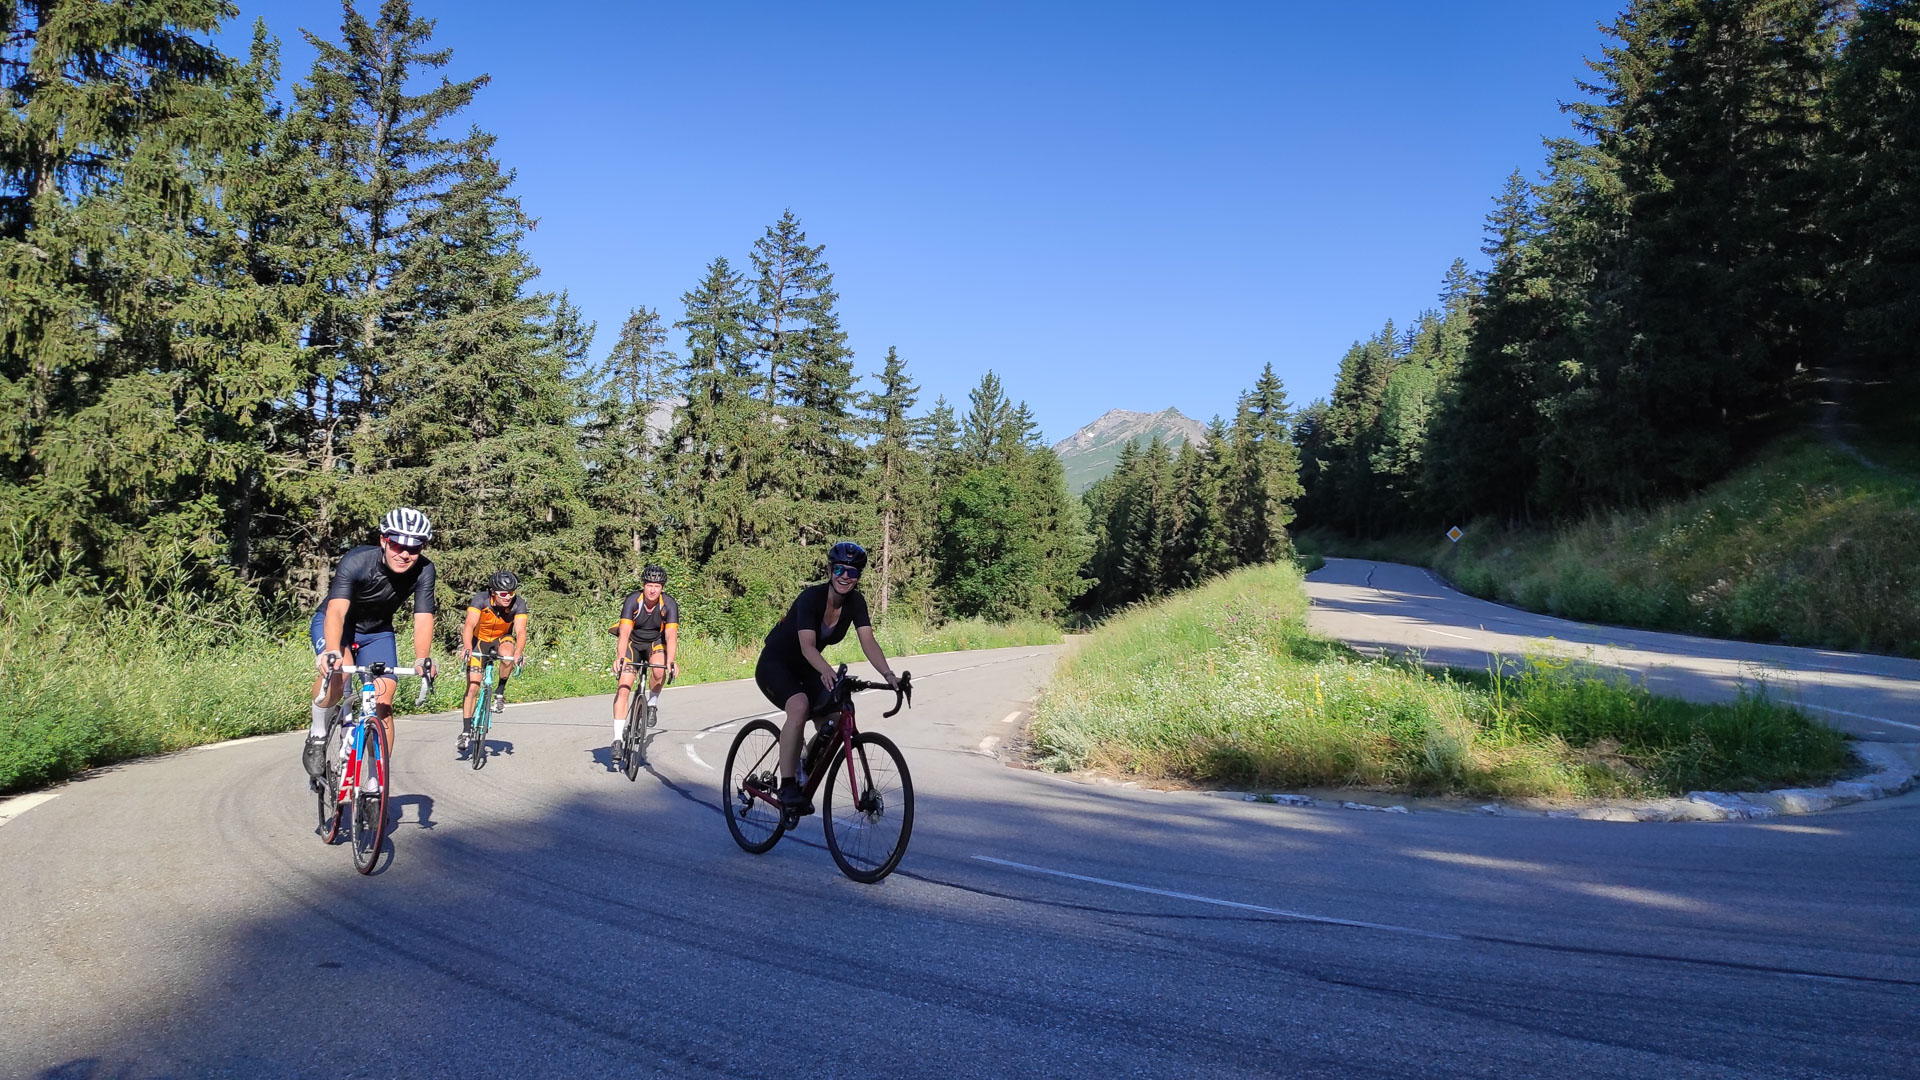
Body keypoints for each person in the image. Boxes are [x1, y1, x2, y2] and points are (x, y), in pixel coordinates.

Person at [754, 541, 899, 816]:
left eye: (853, 572)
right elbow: (807, 645)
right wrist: (826, 669)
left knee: (833, 720)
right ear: (831, 570)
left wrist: (888, 675)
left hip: (808, 666)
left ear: (859, 577)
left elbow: (868, 641)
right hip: (777, 662)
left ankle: (803, 763)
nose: (846, 576)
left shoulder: (856, 602)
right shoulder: (812, 598)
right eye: (841, 569)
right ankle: (786, 786)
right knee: (799, 707)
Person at [304, 507, 438, 785]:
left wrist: (422, 658)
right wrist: (331, 651)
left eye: (414, 548)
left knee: (384, 702)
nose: (405, 554)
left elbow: (423, 617)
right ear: (383, 541)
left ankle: (377, 782)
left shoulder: (424, 570)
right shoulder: (357, 561)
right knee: (338, 675)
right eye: (398, 545)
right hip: (337, 625)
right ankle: (317, 733)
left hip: (377, 632)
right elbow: (337, 611)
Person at [609, 565, 679, 760]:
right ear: (643, 585)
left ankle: (653, 703)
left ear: (662, 588)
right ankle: (617, 739)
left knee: (659, 670)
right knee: (624, 686)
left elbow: (671, 636)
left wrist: (671, 662)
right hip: (633, 642)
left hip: (655, 642)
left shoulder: (669, 604)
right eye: (649, 585)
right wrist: (620, 658)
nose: (652, 590)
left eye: (657, 586)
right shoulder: (633, 600)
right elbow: (623, 632)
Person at [457, 569, 528, 749]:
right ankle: (466, 732)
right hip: (478, 641)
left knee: (507, 657)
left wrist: (519, 652)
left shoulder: (518, 604)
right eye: (503, 593)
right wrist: (466, 646)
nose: (508, 597)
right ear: (492, 592)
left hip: (501, 638)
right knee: (473, 686)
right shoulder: (480, 599)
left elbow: (520, 631)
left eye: (511, 593)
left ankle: (500, 691)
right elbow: (469, 625)